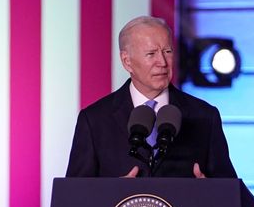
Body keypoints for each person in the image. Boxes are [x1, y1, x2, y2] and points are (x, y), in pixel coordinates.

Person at [65, 15, 237, 178]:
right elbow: (74, 199)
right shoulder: (95, 120)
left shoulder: (205, 116)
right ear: (127, 61)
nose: (162, 62)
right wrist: (112, 193)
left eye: (167, 51)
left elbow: (230, 196)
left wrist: (210, 191)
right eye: (151, 54)